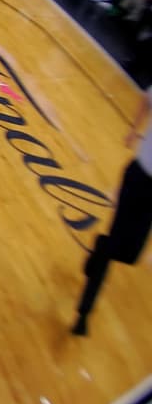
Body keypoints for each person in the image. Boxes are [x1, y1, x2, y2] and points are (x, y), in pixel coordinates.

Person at [71, 87, 152, 335]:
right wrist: (134, 130)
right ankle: (83, 314)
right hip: (138, 177)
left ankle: (100, 247)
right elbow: (147, 100)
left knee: (129, 254)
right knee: (117, 241)